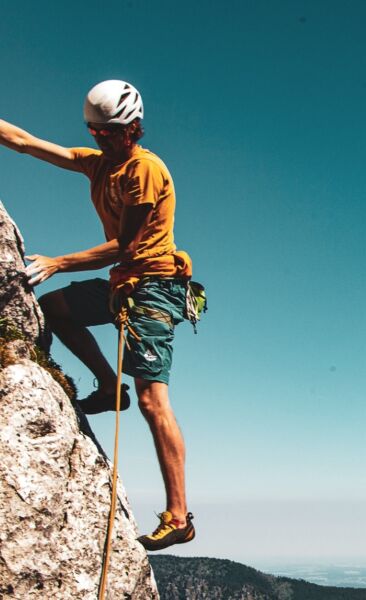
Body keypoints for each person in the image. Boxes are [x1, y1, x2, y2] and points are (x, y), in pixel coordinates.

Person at [0, 80, 196, 551]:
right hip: (121, 285)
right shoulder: (98, 165)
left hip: (154, 287)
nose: (102, 141)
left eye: (111, 133)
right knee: (53, 310)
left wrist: (60, 262)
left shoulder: (144, 170)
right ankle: (109, 388)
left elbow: (124, 246)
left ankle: (179, 516)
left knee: (152, 401)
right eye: (96, 133)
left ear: (133, 128)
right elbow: (26, 143)